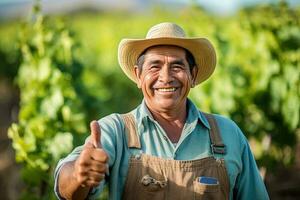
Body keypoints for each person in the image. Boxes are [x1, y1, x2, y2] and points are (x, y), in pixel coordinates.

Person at [54, 22, 269, 200]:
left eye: (177, 66)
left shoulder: (228, 134)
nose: (166, 77)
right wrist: (79, 175)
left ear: (193, 75)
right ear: (138, 76)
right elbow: (66, 188)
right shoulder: (116, 131)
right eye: (154, 66)